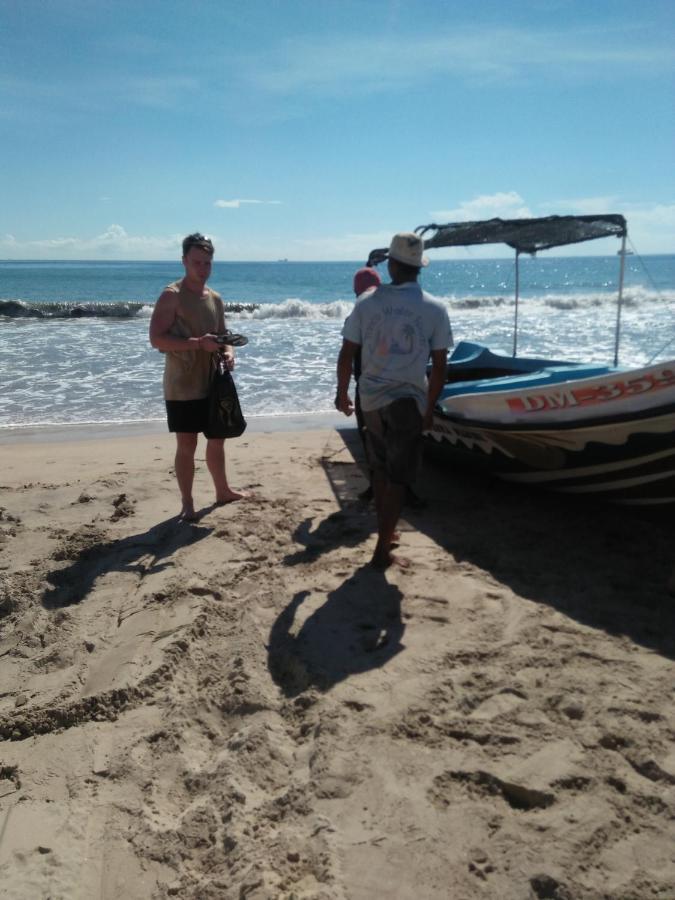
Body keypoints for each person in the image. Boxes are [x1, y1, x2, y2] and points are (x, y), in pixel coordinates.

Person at [336, 232, 452, 570]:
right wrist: (429, 410)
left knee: (382, 469)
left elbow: (347, 354)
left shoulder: (366, 303)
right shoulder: (434, 308)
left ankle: (385, 535)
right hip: (408, 401)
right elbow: (440, 367)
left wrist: (342, 393)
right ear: (418, 268)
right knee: (400, 478)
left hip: (371, 399)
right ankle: (382, 549)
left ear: (391, 264)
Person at [149, 233, 246, 520]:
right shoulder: (172, 295)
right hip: (182, 385)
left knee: (217, 440)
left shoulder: (215, 298)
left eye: (207, 263)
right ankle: (188, 503)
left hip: (212, 383)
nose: (202, 268)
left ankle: (222, 490)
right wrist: (197, 344)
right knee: (187, 445)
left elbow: (223, 336)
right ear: (184, 262)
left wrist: (230, 354)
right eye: (196, 262)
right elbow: (157, 339)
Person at [350, 267, 427, 510]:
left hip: (369, 390)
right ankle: (406, 492)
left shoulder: (360, 313)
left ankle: (378, 487)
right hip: (401, 388)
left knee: (373, 442)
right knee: (401, 443)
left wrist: (341, 392)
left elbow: (349, 357)